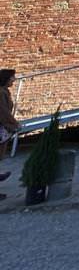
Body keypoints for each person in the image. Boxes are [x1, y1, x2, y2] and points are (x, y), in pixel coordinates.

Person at [0, 69, 19, 201]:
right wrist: (14, 124)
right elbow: (3, 112)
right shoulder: (1, 93)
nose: (14, 79)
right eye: (12, 77)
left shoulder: (4, 91)